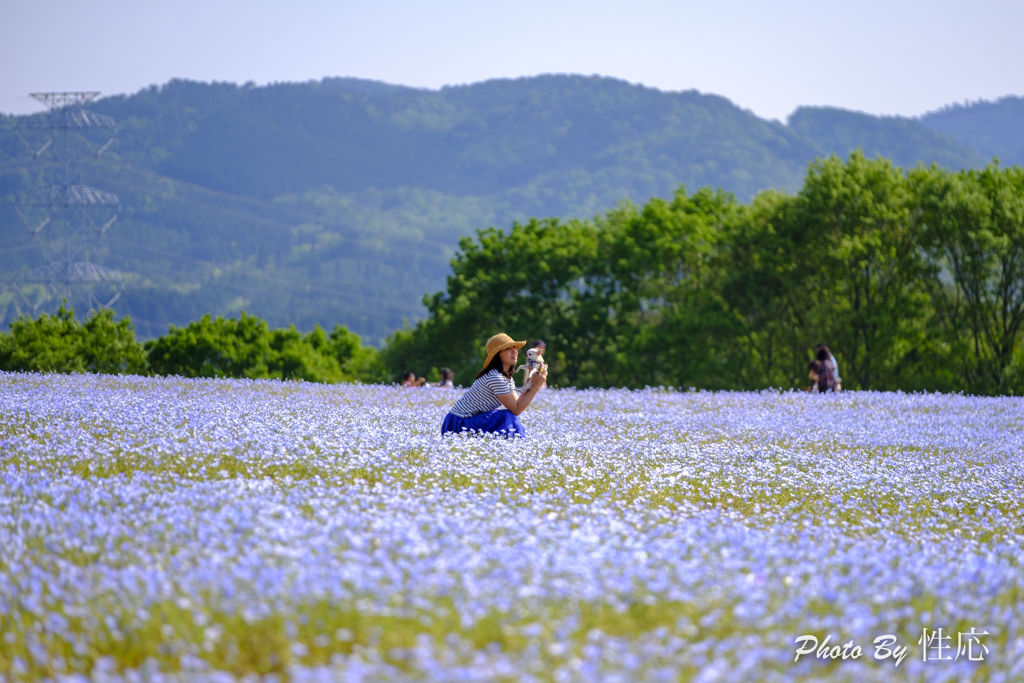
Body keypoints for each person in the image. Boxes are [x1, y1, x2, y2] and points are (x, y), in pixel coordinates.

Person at [441, 333, 547, 438]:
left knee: (508, 416)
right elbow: (516, 409)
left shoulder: (506, 377)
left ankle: (515, 445)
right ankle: (516, 446)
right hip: (457, 425)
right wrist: (536, 387)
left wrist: (530, 383)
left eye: (514, 347)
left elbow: (517, 404)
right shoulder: (495, 377)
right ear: (497, 354)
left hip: (466, 420)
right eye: (508, 349)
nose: (514, 351)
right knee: (506, 416)